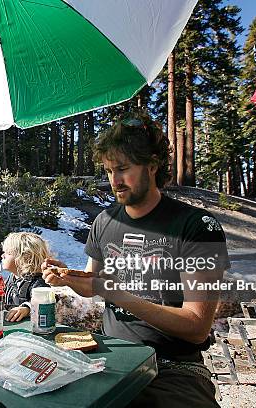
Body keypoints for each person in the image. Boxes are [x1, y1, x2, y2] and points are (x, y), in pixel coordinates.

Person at [42, 113, 230, 407]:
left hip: (173, 368)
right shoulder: (104, 222)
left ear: (152, 165)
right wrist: (68, 277)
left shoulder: (197, 226)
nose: (114, 181)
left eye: (123, 169)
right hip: (111, 356)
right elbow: (94, 285)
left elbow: (196, 327)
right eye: (107, 171)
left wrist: (114, 292)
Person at [1, 232, 51, 322]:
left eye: (8, 253)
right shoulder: (11, 278)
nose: (2, 255)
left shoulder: (38, 282)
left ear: (25, 257)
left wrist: (27, 309)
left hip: (29, 327)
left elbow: (44, 302)